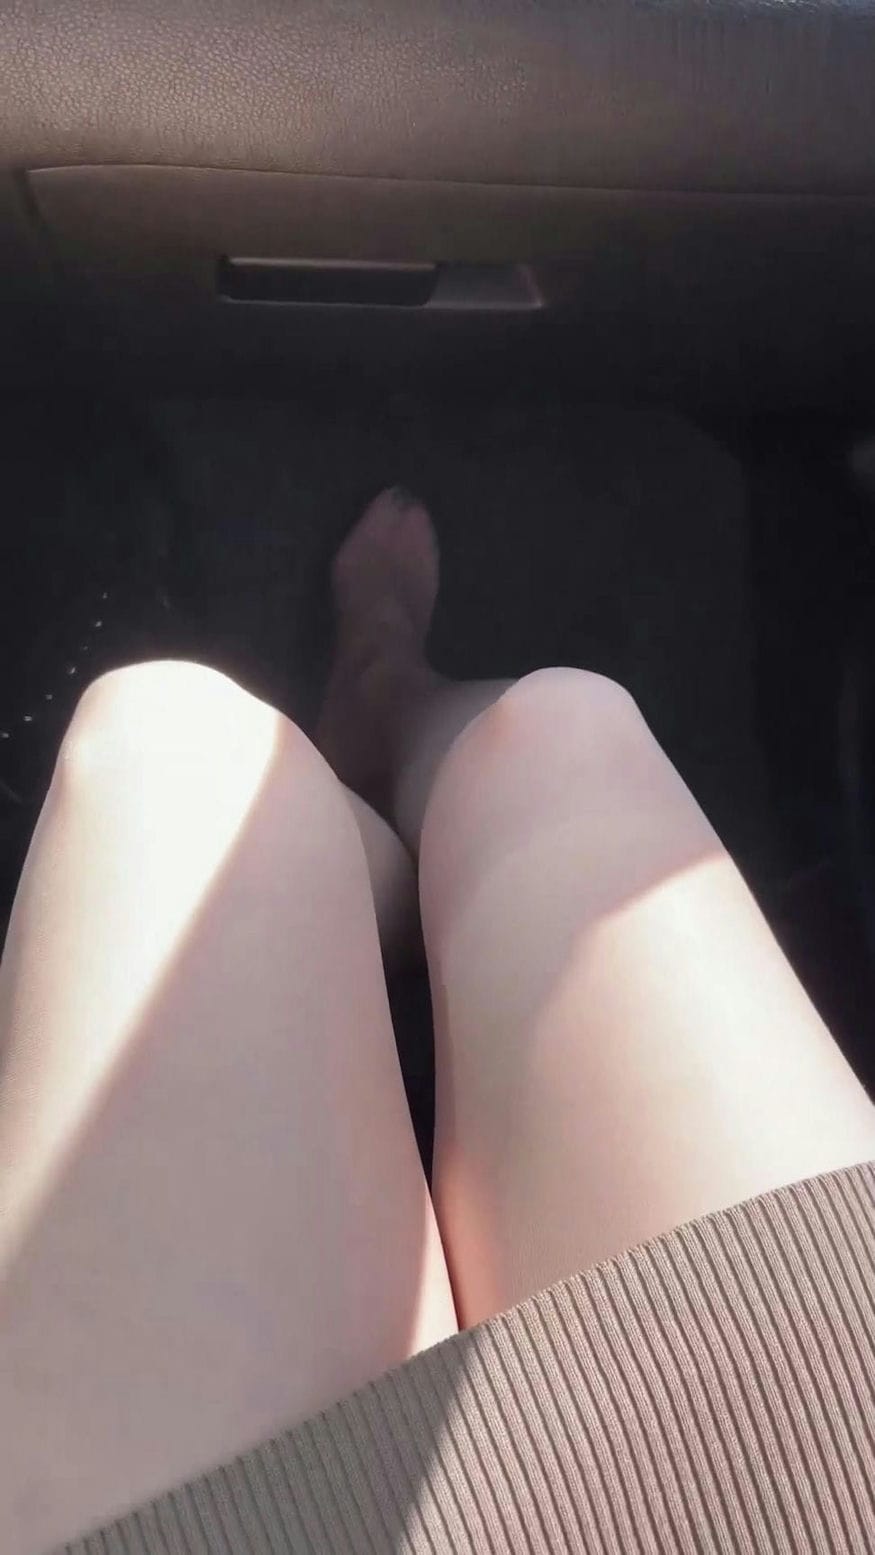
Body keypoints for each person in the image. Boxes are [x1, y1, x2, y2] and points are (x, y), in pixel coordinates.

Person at [1, 487, 874, 1555]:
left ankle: (368, 848)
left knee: (169, 747)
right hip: (823, 1461)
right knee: (560, 728)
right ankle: (387, 708)